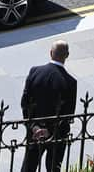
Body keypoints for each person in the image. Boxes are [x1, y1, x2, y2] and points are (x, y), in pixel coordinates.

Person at [20, 41, 77, 172]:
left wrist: (34, 127)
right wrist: (50, 131)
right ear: (67, 55)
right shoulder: (70, 82)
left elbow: (25, 103)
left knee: (28, 167)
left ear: (51, 53)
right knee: (53, 167)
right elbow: (68, 114)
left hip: (34, 132)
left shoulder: (35, 72)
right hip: (57, 134)